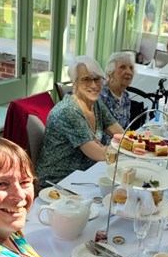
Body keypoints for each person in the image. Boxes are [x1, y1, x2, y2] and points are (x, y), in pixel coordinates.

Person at [36, 55, 124, 187]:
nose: (94, 85)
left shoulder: (96, 103)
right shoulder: (68, 111)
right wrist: (117, 146)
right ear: (74, 82)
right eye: (86, 80)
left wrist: (123, 143)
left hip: (85, 174)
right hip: (58, 182)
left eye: (97, 79)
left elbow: (121, 134)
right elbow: (100, 154)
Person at [100, 51, 136, 129]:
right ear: (111, 72)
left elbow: (126, 128)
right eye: (122, 67)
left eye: (131, 68)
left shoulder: (125, 96)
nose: (128, 72)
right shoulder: (101, 96)